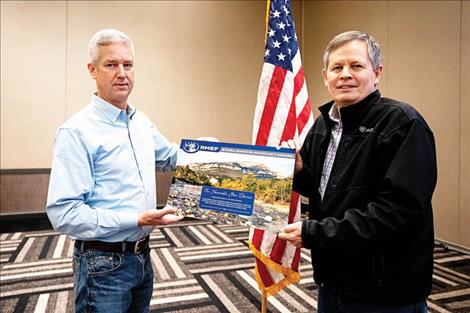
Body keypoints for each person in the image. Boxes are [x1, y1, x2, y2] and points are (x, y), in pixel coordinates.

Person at [278, 31, 437, 313]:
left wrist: (316, 234)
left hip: (384, 291)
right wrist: (301, 172)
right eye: (337, 68)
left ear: (376, 73)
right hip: (333, 281)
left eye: (356, 66)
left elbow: (399, 212)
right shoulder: (323, 125)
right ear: (325, 76)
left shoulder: (402, 123)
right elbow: (325, 189)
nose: (345, 75)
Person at [46, 28, 182, 313]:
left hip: (142, 255)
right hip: (102, 264)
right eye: (111, 65)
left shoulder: (140, 121)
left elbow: (170, 157)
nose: (122, 73)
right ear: (92, 70)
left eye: (128, 65)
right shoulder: (76, 131)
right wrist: (136, 218)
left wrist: (210, 153)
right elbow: (64, 213)